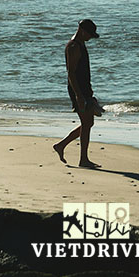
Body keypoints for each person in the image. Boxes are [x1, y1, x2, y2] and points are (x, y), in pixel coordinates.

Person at [53, 19, 102, 168]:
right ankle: (83, 160)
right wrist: (79, 96)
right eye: (89, 34)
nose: (90, 38)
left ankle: (61, 145)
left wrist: (88, 91)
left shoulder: (81, 44)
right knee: (86, 123)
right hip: (78, 90)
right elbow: (71, 74)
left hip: (84, 89)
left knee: (89, 122)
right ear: (81, 30)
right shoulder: (73, 46)